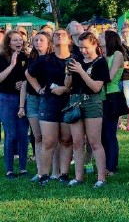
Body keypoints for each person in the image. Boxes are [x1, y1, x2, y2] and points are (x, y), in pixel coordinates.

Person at [25, 29, 74, 185]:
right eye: (56, 35)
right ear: (52, 40)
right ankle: (44, 175)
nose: (60, 36)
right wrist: (39, 89)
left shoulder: (75, 59)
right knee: (48, 141)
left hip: (69, 102)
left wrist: (66, 89)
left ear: (69, 40)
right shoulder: (45, 59)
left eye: (63, 35)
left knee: (66, 140)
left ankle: (63, 174)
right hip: (48, 102)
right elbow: (28, 73)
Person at [64, 32, 110, 188]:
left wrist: (81, 71)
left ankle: (101, 177)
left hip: (92, 102)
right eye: (80, 47)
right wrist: (69, 73)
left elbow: (96, 87)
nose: (83, 50)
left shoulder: (101, 62)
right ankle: (78, 177)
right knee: (77, 142)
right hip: (74, 101)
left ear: (95, 45)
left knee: (94, 142)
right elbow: (68, 85)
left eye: (86, 47)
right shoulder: (76, 61)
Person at [20, 32, 54, 180]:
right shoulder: (31, 59)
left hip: (49, 99)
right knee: (37, 136)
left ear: (48, 43)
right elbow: (27, 79)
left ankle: (54, 170)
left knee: (50, 138)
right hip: (33, 99)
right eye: (36, 40)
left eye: (41, 40)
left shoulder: (53, 59)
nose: (38, 42)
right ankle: (40, 171)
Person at [0, 30, 29, 179]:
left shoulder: (25, 57)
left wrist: (23, 83)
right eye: (15, 40)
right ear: (8, 42)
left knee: (23, 134)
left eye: (20, 40)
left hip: (22, 99)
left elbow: (26, 78)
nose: (19, 42)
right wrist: (11, 65)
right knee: (10, 134)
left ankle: (23, 168)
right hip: (6, 98)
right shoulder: (1, 57)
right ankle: (10, 169)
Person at [101, 31, 127, 176]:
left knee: (110, 133)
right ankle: (104, 164)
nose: (98, 38)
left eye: (101, 36)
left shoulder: (117, 54)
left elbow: (110, 76)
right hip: (102, 96)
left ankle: (112, 166)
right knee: (102, 133)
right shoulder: (102, 55)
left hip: (113, 96)